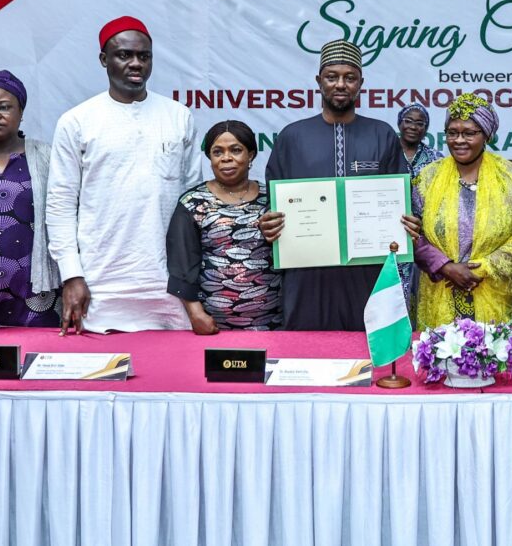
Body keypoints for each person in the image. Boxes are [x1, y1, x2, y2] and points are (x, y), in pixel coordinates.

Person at [46, 17, 203, 333]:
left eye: (144, 56)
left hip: (167, 284)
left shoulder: (178, 116)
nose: (136, 63)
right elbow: (60, 204)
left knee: (171, 374)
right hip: (99, 282)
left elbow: (193, 202)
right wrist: (72, 276)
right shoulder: (77, 121)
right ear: (104, 60)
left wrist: (189, 283)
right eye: (124, 55)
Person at [260, 40, 417, 331]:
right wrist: (270, 222)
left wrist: (406, 223)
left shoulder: (381, 135)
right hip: (307, 272)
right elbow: (273, 202)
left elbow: (400, 200)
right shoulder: (292, 137)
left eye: (350, 77)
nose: (341, 84)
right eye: (332, 76)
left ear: (361, 83)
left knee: (369, 348)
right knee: (306, 353)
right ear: (319, 81)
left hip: (368, 273)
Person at [413, 93, 512, 328]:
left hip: (497, 297)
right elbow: (411, 233)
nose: (459, 140)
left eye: (469, 133)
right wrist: (445, 266)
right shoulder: (427, 179)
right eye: (452, 133)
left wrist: (480, 269)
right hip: (441, 293)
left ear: (486, 135)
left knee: (497, 362)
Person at [166, 121, 281, 333]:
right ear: (210, 158)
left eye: (236, 150)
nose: (226, 158)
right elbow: (181, 265)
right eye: (217, 152)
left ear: (251, 155)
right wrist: (195, 314)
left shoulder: (273, 197)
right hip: (213, 326)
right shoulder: (193, 202)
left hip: (274, 323)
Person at [0, 70, 60, 328]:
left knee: (39, 362)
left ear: (21, 112)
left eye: (4, 107)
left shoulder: (48, 157)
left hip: (35, 291)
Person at [396, 104, 444, 315]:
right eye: (408, 121)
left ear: (426, 128)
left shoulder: (437, 159)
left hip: (425, 236)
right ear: (399, 123)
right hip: (393, 232)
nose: (413, 127)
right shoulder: (387, 153)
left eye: (420, 123)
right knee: (397, 293)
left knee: (426, 290)